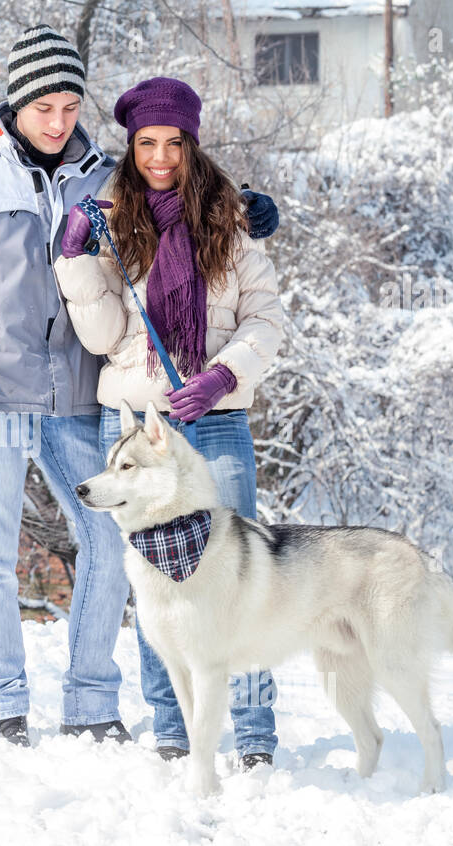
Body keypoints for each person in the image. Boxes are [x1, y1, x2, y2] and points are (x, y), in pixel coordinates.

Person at [0, 28, 279, 751]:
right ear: (16, 100)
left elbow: (177, 198)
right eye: (45, 107)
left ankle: (92, 704)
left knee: (108, 538)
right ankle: (3, 708)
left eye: (71, 106)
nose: (60, 121)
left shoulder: (103, 176)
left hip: (78, 394)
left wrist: (247, 207)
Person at [53, 76, 285, 768]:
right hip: (135, 424)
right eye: (147, 143)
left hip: (214, 424)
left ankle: (254, 738)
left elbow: (267, 319)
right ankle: (174, 733)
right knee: (154, 583)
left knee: (239, 577)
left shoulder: (231, 221)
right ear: (132, 145)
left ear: (192, 144)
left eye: (172, 143)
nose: (159, 156)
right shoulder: (110, 222)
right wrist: (74, 262)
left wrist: (223, 375)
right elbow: (101, 338)